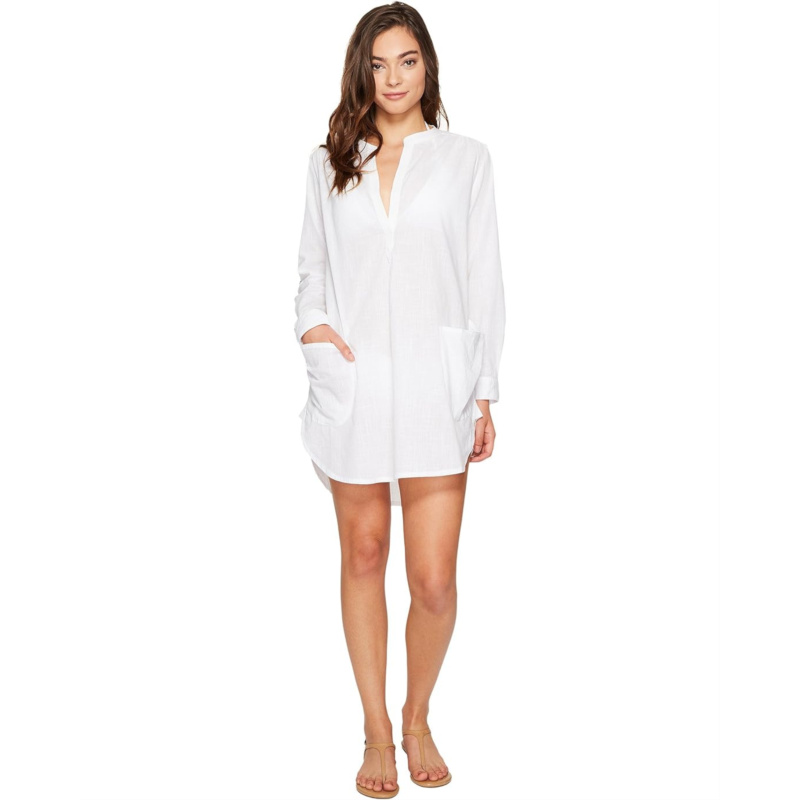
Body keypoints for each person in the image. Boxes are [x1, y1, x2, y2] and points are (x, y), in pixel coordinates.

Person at [293, 4, 505, 797]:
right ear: (362, 71)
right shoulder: (328, 163)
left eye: (407, 61)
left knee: (433, 580)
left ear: (427, 67)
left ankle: (418, 714)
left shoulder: (466, 160)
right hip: (355, 383)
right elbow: (311, 268)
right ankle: (377, 731)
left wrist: (485, 391)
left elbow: (483, 276)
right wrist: (313, 327)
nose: (392, 78)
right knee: (363, 553)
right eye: (378, 64)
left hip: (435, 385)